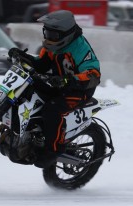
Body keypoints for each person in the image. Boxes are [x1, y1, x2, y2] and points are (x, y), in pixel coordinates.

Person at [8, 10, 101, 168]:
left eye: (53, 34)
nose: (49, 37)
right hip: (58, 84)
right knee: (28, 89)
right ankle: (29, 134)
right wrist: (23, 57)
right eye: (47, 32)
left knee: (52, 110)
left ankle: (54, 150)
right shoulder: (53, 46)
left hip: (78, 90)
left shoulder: (81, 49)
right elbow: (42, 64)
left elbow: (93, 76)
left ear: (66, 34)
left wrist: (69, 80)